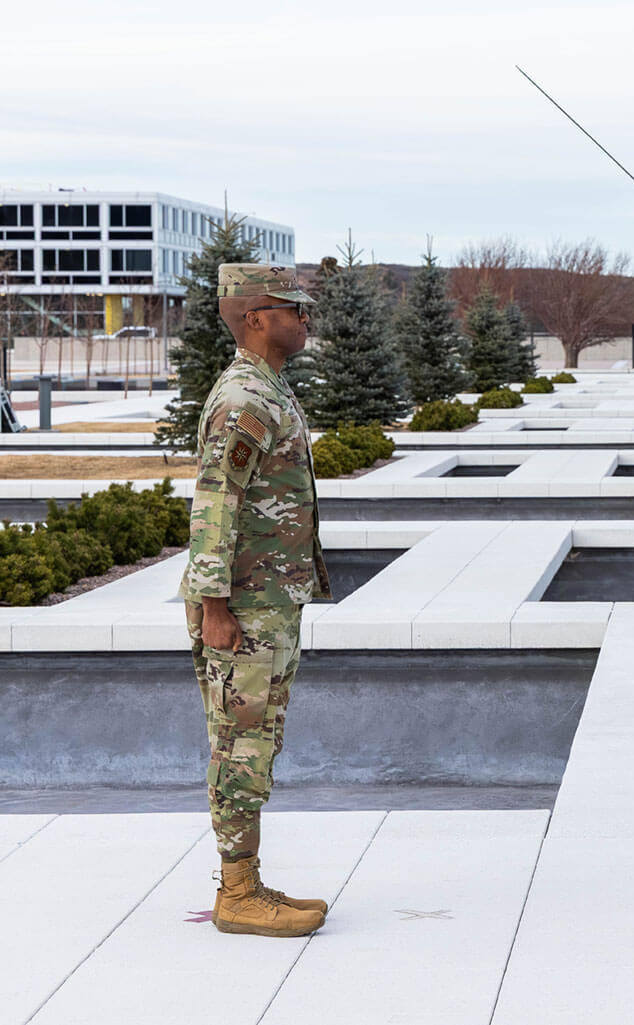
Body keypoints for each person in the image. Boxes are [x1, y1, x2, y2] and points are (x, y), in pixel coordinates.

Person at [181, 263, 331, 937]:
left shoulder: (267, 389)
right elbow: (216, 502)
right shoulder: (246, 396)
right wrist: (214, 606)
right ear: (255, 318)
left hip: (267, 599)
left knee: (257, 740)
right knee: (240, 746)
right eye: (294, 308)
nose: (306, 318)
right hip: (243, 605)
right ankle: (237, 892)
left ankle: (248, 880)